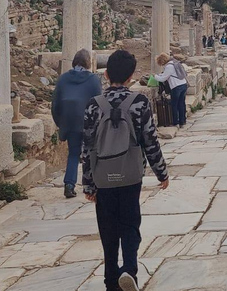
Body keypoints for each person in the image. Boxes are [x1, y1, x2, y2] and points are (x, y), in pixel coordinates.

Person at [83, 50, 169, 291]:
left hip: (102, 176)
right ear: (132, 76)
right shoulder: (139, 102)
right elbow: (150, 141)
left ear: (106, 74)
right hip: (130, 174)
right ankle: (129, 269)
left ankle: (111, 281)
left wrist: (88, 183)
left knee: (108, 229)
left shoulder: (93, 105)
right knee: (130, 224)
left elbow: (87, 146)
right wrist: (161, 172)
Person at [51, 49, 103, 199]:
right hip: (88, 122)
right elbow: (99, 103)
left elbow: (55, 104)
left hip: (70, 122)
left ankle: (69, 184)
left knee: (73, 153)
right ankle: (93, 184)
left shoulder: (63, 79)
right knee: (92, 153)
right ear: (88, 63)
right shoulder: (93, 80)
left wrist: (60, 123)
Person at [153, 53, 188, 128]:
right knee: (181, 104)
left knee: (174, 105)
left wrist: (154, 76)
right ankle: (182, 121)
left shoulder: (169, 67)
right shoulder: (175, 63)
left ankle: (175, 122)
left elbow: (163, 78)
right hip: (183, 84)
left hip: (176, 87)